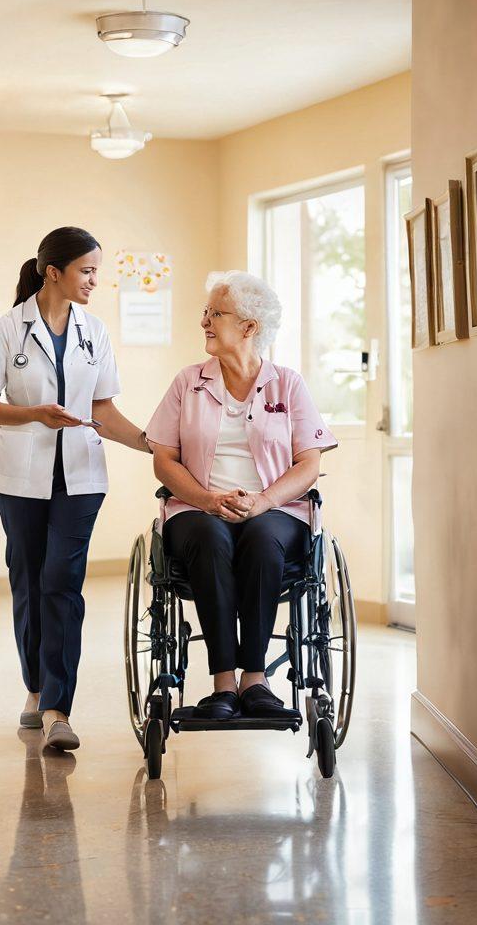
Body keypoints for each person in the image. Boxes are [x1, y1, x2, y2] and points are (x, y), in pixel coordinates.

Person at [0, 227, 150, 751]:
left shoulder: (95, 331)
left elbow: (103, 411)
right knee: (27, 582)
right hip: (20, 479)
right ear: (54, 272)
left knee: (62, 583)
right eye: (87, 271)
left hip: (82, 478)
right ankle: (35, 686)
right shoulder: (7, 330)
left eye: (96, 271)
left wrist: (154, 447)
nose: (95, 281)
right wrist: (34, 415)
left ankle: (57, 708)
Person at [145, 270, 337, 721]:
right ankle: (223, 683)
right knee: (210, 539)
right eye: (205, 313)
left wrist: (264, 500)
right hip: (197, 506)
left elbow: (310, 462)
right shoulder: (187, 381)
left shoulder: (287, 383)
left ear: (249, 327)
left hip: (274, 508)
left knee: (262, 539)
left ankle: (256, 680)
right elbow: (164, 458)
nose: (205, 322)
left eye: (216, 313)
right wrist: (209, 500)